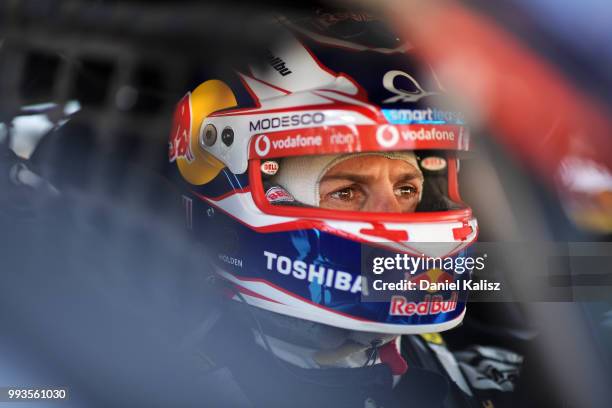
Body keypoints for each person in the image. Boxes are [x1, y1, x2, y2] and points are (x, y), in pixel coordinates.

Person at [167, 8, 522, 407]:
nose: (394, 218)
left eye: (407, 189)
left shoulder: (488, 366)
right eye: (347, 192)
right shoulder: (147, 387)